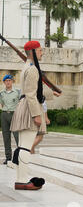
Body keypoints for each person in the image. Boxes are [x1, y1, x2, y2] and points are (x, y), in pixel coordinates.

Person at [10, 40, 61, 190]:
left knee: (22, 146)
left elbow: (33, 90)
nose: (41, 53)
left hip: (24, 106)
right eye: (39, 51)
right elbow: (32, 95)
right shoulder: (32, 69)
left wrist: (52, 93)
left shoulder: (27, 67)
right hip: (29, 108)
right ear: (32, 52)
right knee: (25, 147)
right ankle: (22, 181)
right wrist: (36, 115)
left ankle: (20, 179)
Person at [0, 74, 20, 165]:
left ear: (12, 82)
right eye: (6, 81)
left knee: (17, 136)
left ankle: (19, 157)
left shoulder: (17, 92)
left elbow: (21, 103)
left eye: (9, 80)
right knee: (6, 137)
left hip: (14, 114)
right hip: (4, 115)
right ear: (4, 82)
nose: (8, 82)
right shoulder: (1, 93)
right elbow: (2, 104)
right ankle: (8, 158)